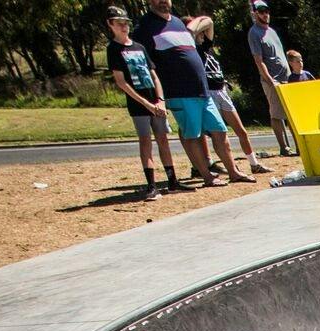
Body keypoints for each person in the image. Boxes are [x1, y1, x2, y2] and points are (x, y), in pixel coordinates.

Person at [134, 0, 252, 186]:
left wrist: (190, 28)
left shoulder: (178, 23)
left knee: (220, 131)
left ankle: (233, 172)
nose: (162, 1)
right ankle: (206, 176)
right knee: (192, 135)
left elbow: (207, 20)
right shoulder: (144, 27)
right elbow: (144, 64)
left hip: (203, 90)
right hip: (179, 92)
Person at [106, 6, 181, 200]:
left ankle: (172, 181)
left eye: (126, 24)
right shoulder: (113, 49)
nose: (124, 27)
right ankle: (151, 185)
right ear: (111, 25)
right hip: (138, 104)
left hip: (156, 101)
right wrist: (146, 104)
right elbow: (121, 82)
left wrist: (160, 101)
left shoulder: (139, 47)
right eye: (120, 24)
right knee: (146, 141)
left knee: (163, 139)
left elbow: (154, 75)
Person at [189, 16, 271, 176]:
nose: (202, 34)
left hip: (222, 91)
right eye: (199, 32)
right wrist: (192, 29)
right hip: (209, 93)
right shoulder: (192, 49)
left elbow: (210, 22)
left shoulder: (207, 47)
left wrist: (200, 20)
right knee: (218, 134)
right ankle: (230, 166)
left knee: (241, 130)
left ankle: (254, 164)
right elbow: (190, 33)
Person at [246, 1, 294, 156]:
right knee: (276, 114)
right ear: (255, 13)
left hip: (286, 78)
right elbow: (258, 60)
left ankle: (298, 144)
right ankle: (283, 147)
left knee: (292, 113)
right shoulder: (254, 33)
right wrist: (269, 79)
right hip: (273, 80)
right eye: (261, 12)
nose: (265, 14)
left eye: (267, 11)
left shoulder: (271, 31)